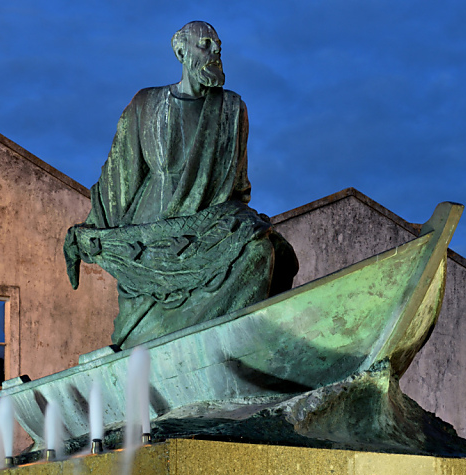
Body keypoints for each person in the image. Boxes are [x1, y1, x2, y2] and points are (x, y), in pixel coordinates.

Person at [64, 21, 296, 348]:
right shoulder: (146, 104)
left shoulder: (232, 109)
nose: (215, 51)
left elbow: (238, 187)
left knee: (263, 252)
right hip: (153, 234)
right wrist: (92, 233)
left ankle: (233, 350)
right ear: (181, 50)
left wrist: (234, 224)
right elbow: (119, 177)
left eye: (218, 46)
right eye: (206, 44)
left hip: (209, 228)